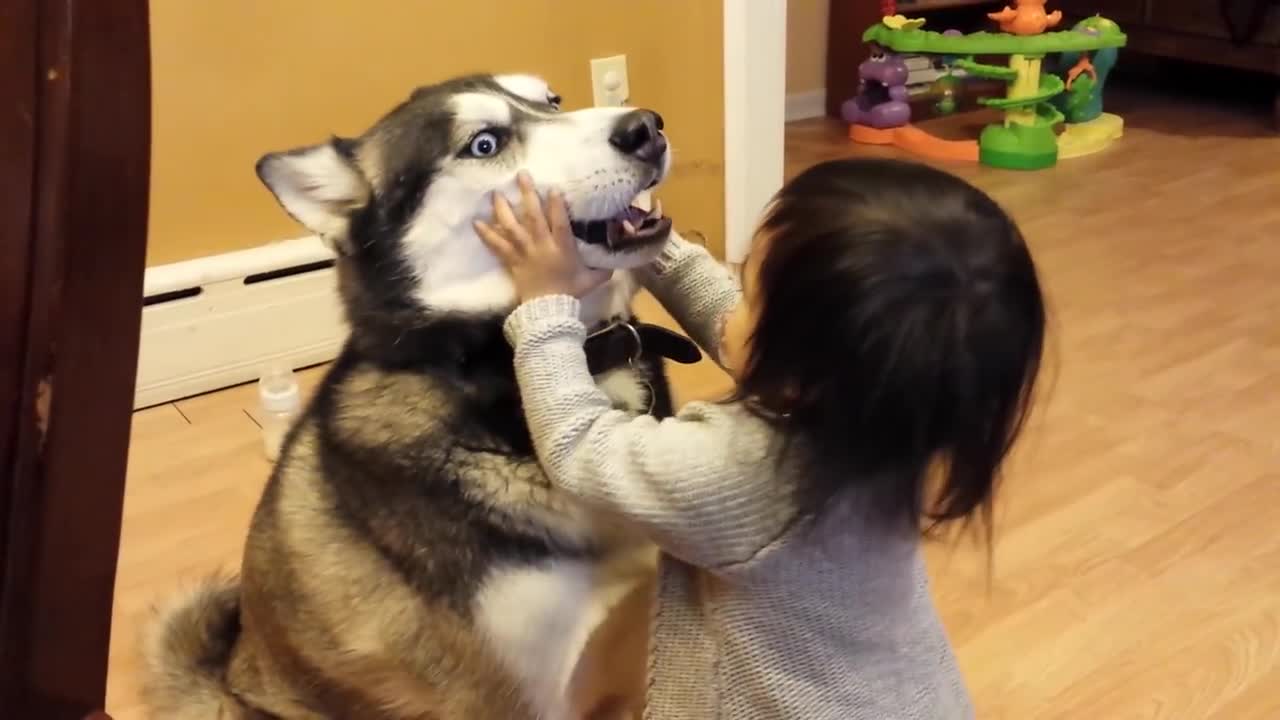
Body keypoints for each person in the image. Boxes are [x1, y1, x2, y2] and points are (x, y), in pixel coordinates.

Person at [473, 157, 1046, 719]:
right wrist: (649, 246)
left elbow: (581, 447)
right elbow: (749, 337)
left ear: (799, 368)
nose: (732, 302)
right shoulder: (901, 407)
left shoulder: (742, 473)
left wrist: (546, 308)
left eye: (748, 289)